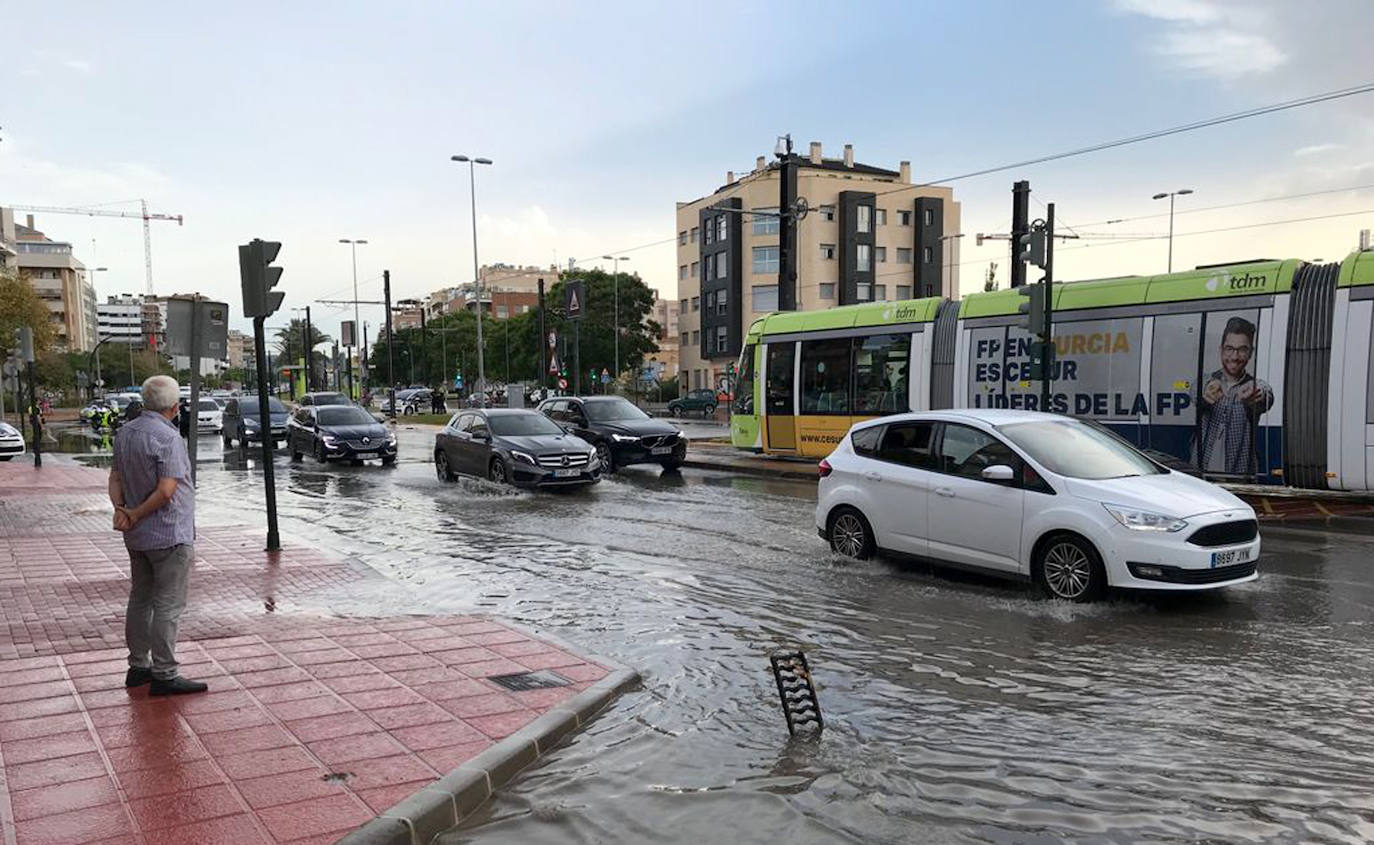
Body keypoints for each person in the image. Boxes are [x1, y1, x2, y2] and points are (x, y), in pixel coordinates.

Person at [107, 375, 207, 695]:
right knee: (168, 605)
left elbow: (116, 478)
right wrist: (135, 513)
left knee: (140, 599)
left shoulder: (125, 432)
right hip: (169, 534)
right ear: (174, 407)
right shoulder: (167, 437)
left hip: (137, 537)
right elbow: (166, 490)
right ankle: (164, 673)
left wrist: (122, 510)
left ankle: (138, 667)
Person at [1196, 316, 1273, 475]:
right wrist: (1206, 391)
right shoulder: (1207, 380)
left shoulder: (1253, 384)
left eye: (1242, 349)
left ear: (1250, 353)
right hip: (1202, 475)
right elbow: (1193, 391)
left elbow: (1266, 393)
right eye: (1229, 348)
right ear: (1221, 350)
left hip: (1239, 475)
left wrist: (1258, 394)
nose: (1235, 357)